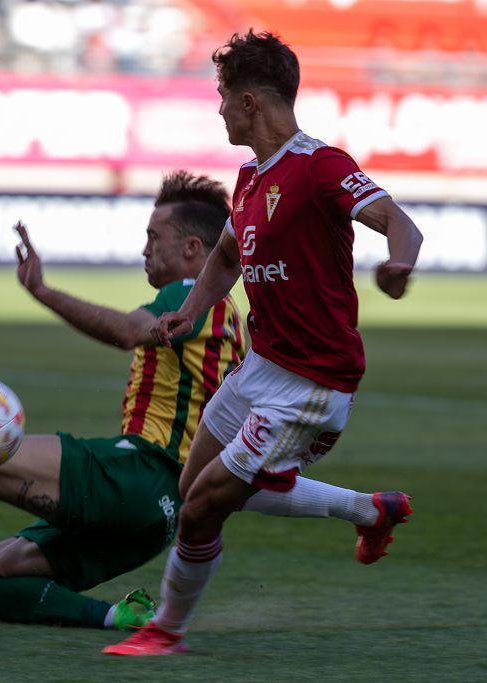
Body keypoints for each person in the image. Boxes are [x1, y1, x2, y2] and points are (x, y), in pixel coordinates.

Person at [0, 170, 403, 631]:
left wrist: (42, 291)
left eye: (154, 238)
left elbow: (131, 331)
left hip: (141, 472)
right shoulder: (231, 319)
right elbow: (243, 479)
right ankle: (120, 616)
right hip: (157, 520)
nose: (144, 249)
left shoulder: (188, 298)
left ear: (192, 247)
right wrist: (356, 505)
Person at [105, 31, 423, 656]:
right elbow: (227, 254)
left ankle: (165, 630)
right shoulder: (250, 176)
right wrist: (191, 312)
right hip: (259, 369)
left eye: (222, 97)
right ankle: (370, 511)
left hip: (310, 384)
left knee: (201, 511)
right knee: (197, 491)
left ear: (249, 101)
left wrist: (399, 265)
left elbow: (400, 223)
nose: (218, 109)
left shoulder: (321, 166)